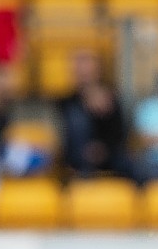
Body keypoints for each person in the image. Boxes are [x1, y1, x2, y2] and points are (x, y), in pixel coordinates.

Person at [56, 50, 135, 181]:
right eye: (79, 69)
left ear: (97, 71)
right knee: (76, 118)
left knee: (131, 165)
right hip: (77, 158)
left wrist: (103, 148)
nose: (82, 73)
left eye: (86, 69)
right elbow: (63, 134)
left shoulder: (111, 99)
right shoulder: (66, 102)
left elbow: (120, 134)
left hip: (109, 155)